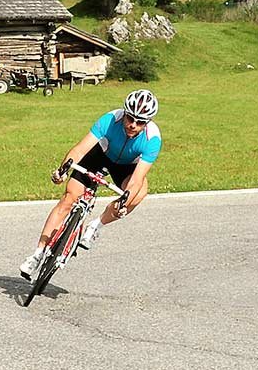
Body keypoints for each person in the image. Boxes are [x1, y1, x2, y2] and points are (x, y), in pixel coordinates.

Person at [20, 88, 161, 279]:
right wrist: (62, 170)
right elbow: (79, 150)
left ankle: (95, 226)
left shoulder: (153, 139)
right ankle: (37, 255)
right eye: (130, 118)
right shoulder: (110, 119)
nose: (133, 125)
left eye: (140, 122)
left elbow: (136, 179)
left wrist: (123, 203)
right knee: (69, 198)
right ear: (125, 113)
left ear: (148, 122)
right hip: (99, 156)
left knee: (140, 192)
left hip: (127, 167)